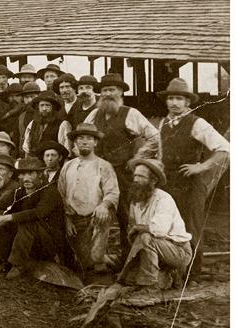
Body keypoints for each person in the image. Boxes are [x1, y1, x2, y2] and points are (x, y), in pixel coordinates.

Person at [157, 77, 229, 279]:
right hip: (168, 184)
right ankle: (174, 268)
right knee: (169, 226)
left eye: (179, 98)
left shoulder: (197, 123)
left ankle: (193, 273)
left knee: (191, 226)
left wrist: (201, 166)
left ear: (187, 102)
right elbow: (161, 154)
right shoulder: (163, 123)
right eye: (171, 98)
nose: (174, 103)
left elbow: (225, 149)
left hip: (191, 185)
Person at [84, 73, 159, 256]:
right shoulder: (94, 114)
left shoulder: (131, 113)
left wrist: (138, 157)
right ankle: (97, 260)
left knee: (126, 215)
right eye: (104, 90)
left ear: (121, 93)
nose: (108, 94)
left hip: (123, 173)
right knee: (96, 213)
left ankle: (129, 258)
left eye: (112, 90)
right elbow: (82, 134)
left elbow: (154, 137)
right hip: (99, 173)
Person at [118, 159, 192, 289]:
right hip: (152, 251)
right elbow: (131, 228)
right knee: (129, 280)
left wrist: (138, 228)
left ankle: (150, 285)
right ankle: (168, 274)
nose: (135, 179)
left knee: (146, 237)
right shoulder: (136, 200)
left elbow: (159, 230)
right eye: (135, 175)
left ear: (153, 180)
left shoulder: (163, 199)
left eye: (140, 176)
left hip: (178, 251)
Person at [58, 123, 119, 272]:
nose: (84, 142)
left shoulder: (103, 166)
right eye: (80, 138)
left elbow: (112, 192)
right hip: (75, 221)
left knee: (97, 261)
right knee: (81, 263)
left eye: (89, 138)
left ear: (95, 142)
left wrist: (104, 205)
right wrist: (67, 219)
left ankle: (103, 261)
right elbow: (61, 194)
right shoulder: (68, 166)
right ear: (75, 142)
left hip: (97, 219)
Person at [2, 158, 66, 279]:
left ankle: (18, 265)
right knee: (4, 221)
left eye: (31, 173)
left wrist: (8, 217)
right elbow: (1, 204)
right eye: (22, 174)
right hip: (31, 240)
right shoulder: (20, 192)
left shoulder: (50, 192)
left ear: (40, 175)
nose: (26, 178)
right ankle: (4, 261)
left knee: (26, 223)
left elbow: (37, 213)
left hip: (50, 241)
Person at [21, 91, 71, 158]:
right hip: (34, 161)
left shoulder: (62, 124)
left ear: (53, 107)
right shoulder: (33, 123)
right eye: (42, 105)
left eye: (47, 105)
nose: (44, 109)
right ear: (38, 107)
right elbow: (26, 146)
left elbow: (66, 148)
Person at [17, 82, 42, 151]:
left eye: (32, 96)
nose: (29, 100)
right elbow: (17, 137)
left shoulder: (43, 114)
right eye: (26, 97)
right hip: (23, 153)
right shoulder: (21, 116)